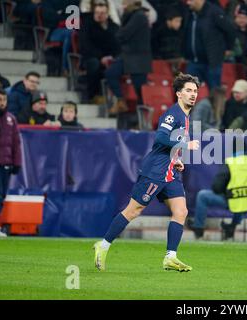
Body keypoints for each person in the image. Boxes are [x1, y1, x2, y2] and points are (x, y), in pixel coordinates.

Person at [93, 73, 201, 272]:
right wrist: (185, 144)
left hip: (170, 172)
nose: (192, 94)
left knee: (181, 211)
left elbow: (169, 146)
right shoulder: (172, 114)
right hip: (155, 171)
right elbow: (160, 138)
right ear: (178, 94)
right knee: (134, 210)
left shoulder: (185, 117)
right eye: (188, 90)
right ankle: (103, 244)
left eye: (195, 91)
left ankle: (171, 257)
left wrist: (176, 159)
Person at [187, 140, 247, 240]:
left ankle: (198, 229)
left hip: (234, 200)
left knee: (202, 196)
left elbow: (217, 187)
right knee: (242, 200)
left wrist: (228, 192)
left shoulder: (231, 162)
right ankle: (232, 226)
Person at [105, 0, 152, 115]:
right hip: (128, 55)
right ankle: (121, 102)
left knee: (140, 92)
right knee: (111, 73)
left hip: (139, 58)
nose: (122, 5)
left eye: (125, 3)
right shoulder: (132, 15)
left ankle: (143, 120)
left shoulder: (139, 16)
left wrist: (118, 34)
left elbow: (124, 34)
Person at [183, 0, 236, 90]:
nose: (188, 3)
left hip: (212, 62)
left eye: (190, 0)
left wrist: (228, 48)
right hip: (194, 61)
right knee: (186, 92)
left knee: (214, 93)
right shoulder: (189, 13)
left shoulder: (215, 12)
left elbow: (230, 30)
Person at [79, 1, 120, 103]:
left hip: (110, 58)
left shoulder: (113, 27)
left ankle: (119, 99)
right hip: (92, 57)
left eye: (102, 13)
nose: (99, 15)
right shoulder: (87, 24)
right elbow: (85, 45)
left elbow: (118, 45)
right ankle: (93, 95)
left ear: (107, 14)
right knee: (94, 64)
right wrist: (101, 57)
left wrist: (112, 57)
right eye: (97, 13)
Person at [0, 89, 22, 237]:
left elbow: (16, 143)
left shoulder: (11, 119)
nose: (1, 103)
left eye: (3, 100)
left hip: (5, 163)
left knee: (1, 196)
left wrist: (17, 163)